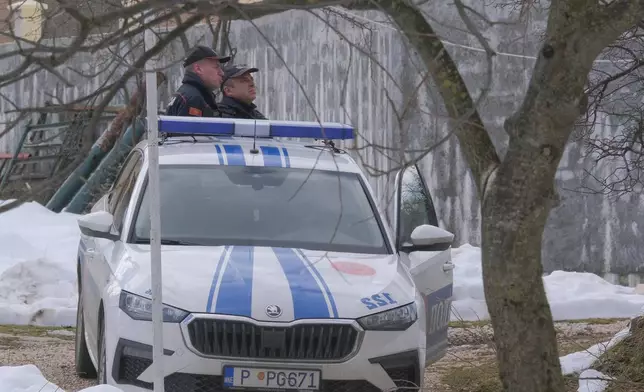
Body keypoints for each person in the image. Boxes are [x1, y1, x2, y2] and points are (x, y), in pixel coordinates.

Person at [166, 46, 230, 117]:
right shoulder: (193, 99)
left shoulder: (188, 94)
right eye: (216, 67)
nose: (222, 73)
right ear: (198, 69)